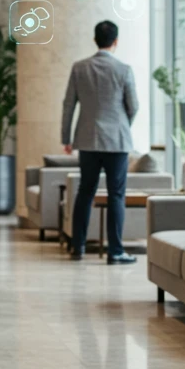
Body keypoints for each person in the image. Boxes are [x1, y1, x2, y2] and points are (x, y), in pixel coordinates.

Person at [61, 19, 139, 264]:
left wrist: (66, 138)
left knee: (85, 192)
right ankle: (116, 251)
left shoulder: (79, 67)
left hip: (87, 139)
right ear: (115, 42)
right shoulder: (124, 69)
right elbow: (133, 106)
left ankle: (78, 248)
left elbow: (68, 105)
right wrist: (123, 126)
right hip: (117, 141)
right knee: (116, 195)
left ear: (95, 40)